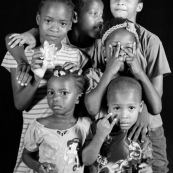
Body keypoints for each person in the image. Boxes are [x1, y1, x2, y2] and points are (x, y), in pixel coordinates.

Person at [1, 0, 87, 172]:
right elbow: (20, 104)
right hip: (32, 144)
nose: (54, 28)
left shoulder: (75, 56)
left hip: (65, 146)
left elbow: (81, 96)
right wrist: (37, 76)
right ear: (38, 18)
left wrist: (78, 77)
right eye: (48, 21)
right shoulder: (22, 54)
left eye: (62, 23)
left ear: (70, 25)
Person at [84, 17, 169, 172]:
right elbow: (92, 109)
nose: (121, 52)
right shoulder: (95, 76)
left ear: (136, 50)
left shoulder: (139, 76)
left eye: (128, 48)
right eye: (115, 47)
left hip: (144, 137)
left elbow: (156, 108)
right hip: (107, 142)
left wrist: (140, 72)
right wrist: (109, 71)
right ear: (104, 51)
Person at [5, 0, 104, 86]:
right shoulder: (55, 36)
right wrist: (23, 62)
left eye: (101, 15)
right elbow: (11, 38)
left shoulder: (101, 46)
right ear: (74, 16)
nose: (101, 20)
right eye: (94, 13)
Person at [22, 68, 91, 173]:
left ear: (77, 98)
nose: (55, 98)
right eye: (51, 92)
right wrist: (37, 166)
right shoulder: (39, 126)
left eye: (64, 93)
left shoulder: (85, 125)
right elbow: (26, 155)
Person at [82, 76, 153, 173]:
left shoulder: (141, 133)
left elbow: (146, 165)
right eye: (117, 108)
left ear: (140, 107)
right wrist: (99, 136)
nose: (124, 115)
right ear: (108, 108)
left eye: (131, 108)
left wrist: (148, 170)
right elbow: (86, 160)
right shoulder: (99, 126)